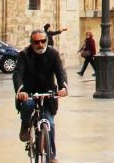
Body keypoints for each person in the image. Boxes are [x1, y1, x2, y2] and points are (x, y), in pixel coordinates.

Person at [14, 29, 68, 162]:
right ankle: (25, 125)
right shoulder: (24, 54)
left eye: (43, 41)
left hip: (48, 93)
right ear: (32, 43)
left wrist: (63, 87)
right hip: (29, 93)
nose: (40, 44)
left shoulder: (53, 53)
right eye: (36, 42)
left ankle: (52, 156)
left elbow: (60, 72)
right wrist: (21, 91)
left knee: (50, 123)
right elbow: (18, 73)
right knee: (27, 105)